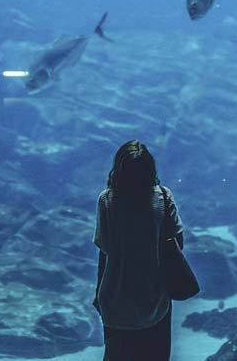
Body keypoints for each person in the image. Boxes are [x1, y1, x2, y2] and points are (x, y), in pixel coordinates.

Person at [93, 139, 184, 361]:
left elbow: (104, 250)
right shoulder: (163, 196)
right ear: (150, 169)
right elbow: (178, 243)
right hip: (155, 298)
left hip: (115, 298)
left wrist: (98, 293)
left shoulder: (107, 200)